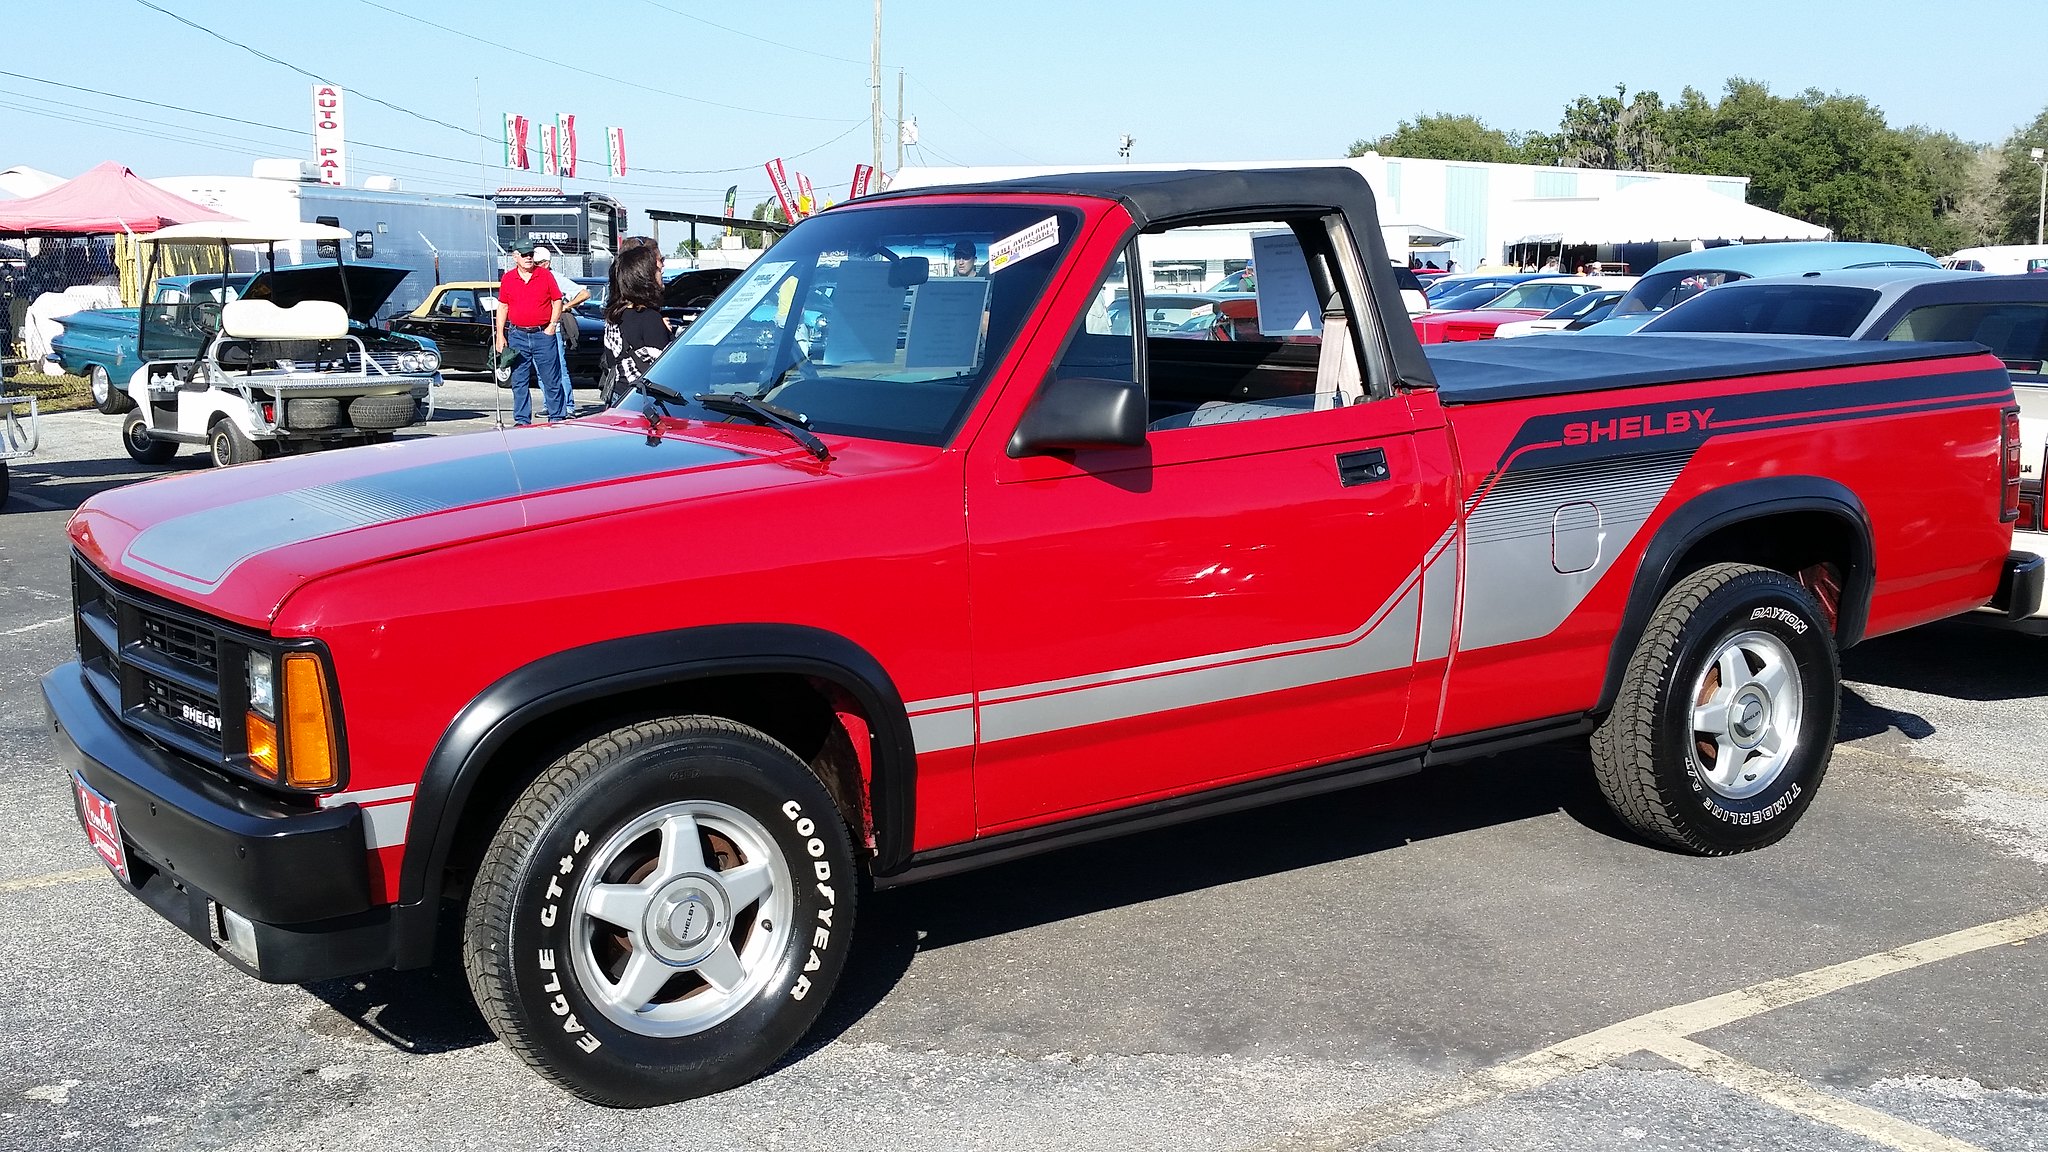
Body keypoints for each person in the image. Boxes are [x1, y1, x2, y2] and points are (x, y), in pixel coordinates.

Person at [492, 242, 568, 425]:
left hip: (543, 335)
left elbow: (557, 300)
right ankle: (522, 420)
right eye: (524, 254)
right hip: (517, 335)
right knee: (519, 381)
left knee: (551, 379)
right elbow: (503, 306)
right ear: (515, 256)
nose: (528, 258)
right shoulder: (508, 278)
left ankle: (557, 417)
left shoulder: (545, 275)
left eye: (530, 254)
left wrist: (552, 326)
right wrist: (500, 334)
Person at [600, 242, 673, 407]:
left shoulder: (614, 315)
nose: (662, 270)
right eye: (657, 268)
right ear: (645, 277)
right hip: (644, 401)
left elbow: (611, 358)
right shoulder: (650, 319)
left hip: (619, 396)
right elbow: (666, 370)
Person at [531, 246, 590, 413]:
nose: (533, 266)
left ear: (546, 263)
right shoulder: (533, 278)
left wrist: (565, 306)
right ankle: (549, 404)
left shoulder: (555, 278)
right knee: (542, 371)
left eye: (537, 263)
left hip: (553, 330)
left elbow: (584, 293)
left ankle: (568, 405)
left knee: (559, 368)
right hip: (536, 330)